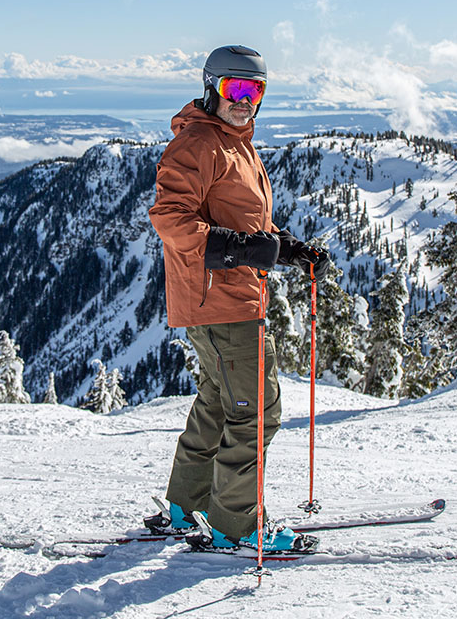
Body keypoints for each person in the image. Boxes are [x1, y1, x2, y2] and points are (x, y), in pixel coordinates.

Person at [146, 44, 326, 552]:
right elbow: (170, 218)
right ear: (212, 89)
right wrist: (236, 248)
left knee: (220, 401)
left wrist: (287, 248)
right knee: (256, 409)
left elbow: (249, 223)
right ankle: (237, 524)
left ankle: (188, 503)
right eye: (234, 88)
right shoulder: (199, 144)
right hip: (220, 301)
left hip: (228, 296)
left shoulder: (236, 145)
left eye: (255, 90)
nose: (245, 100)